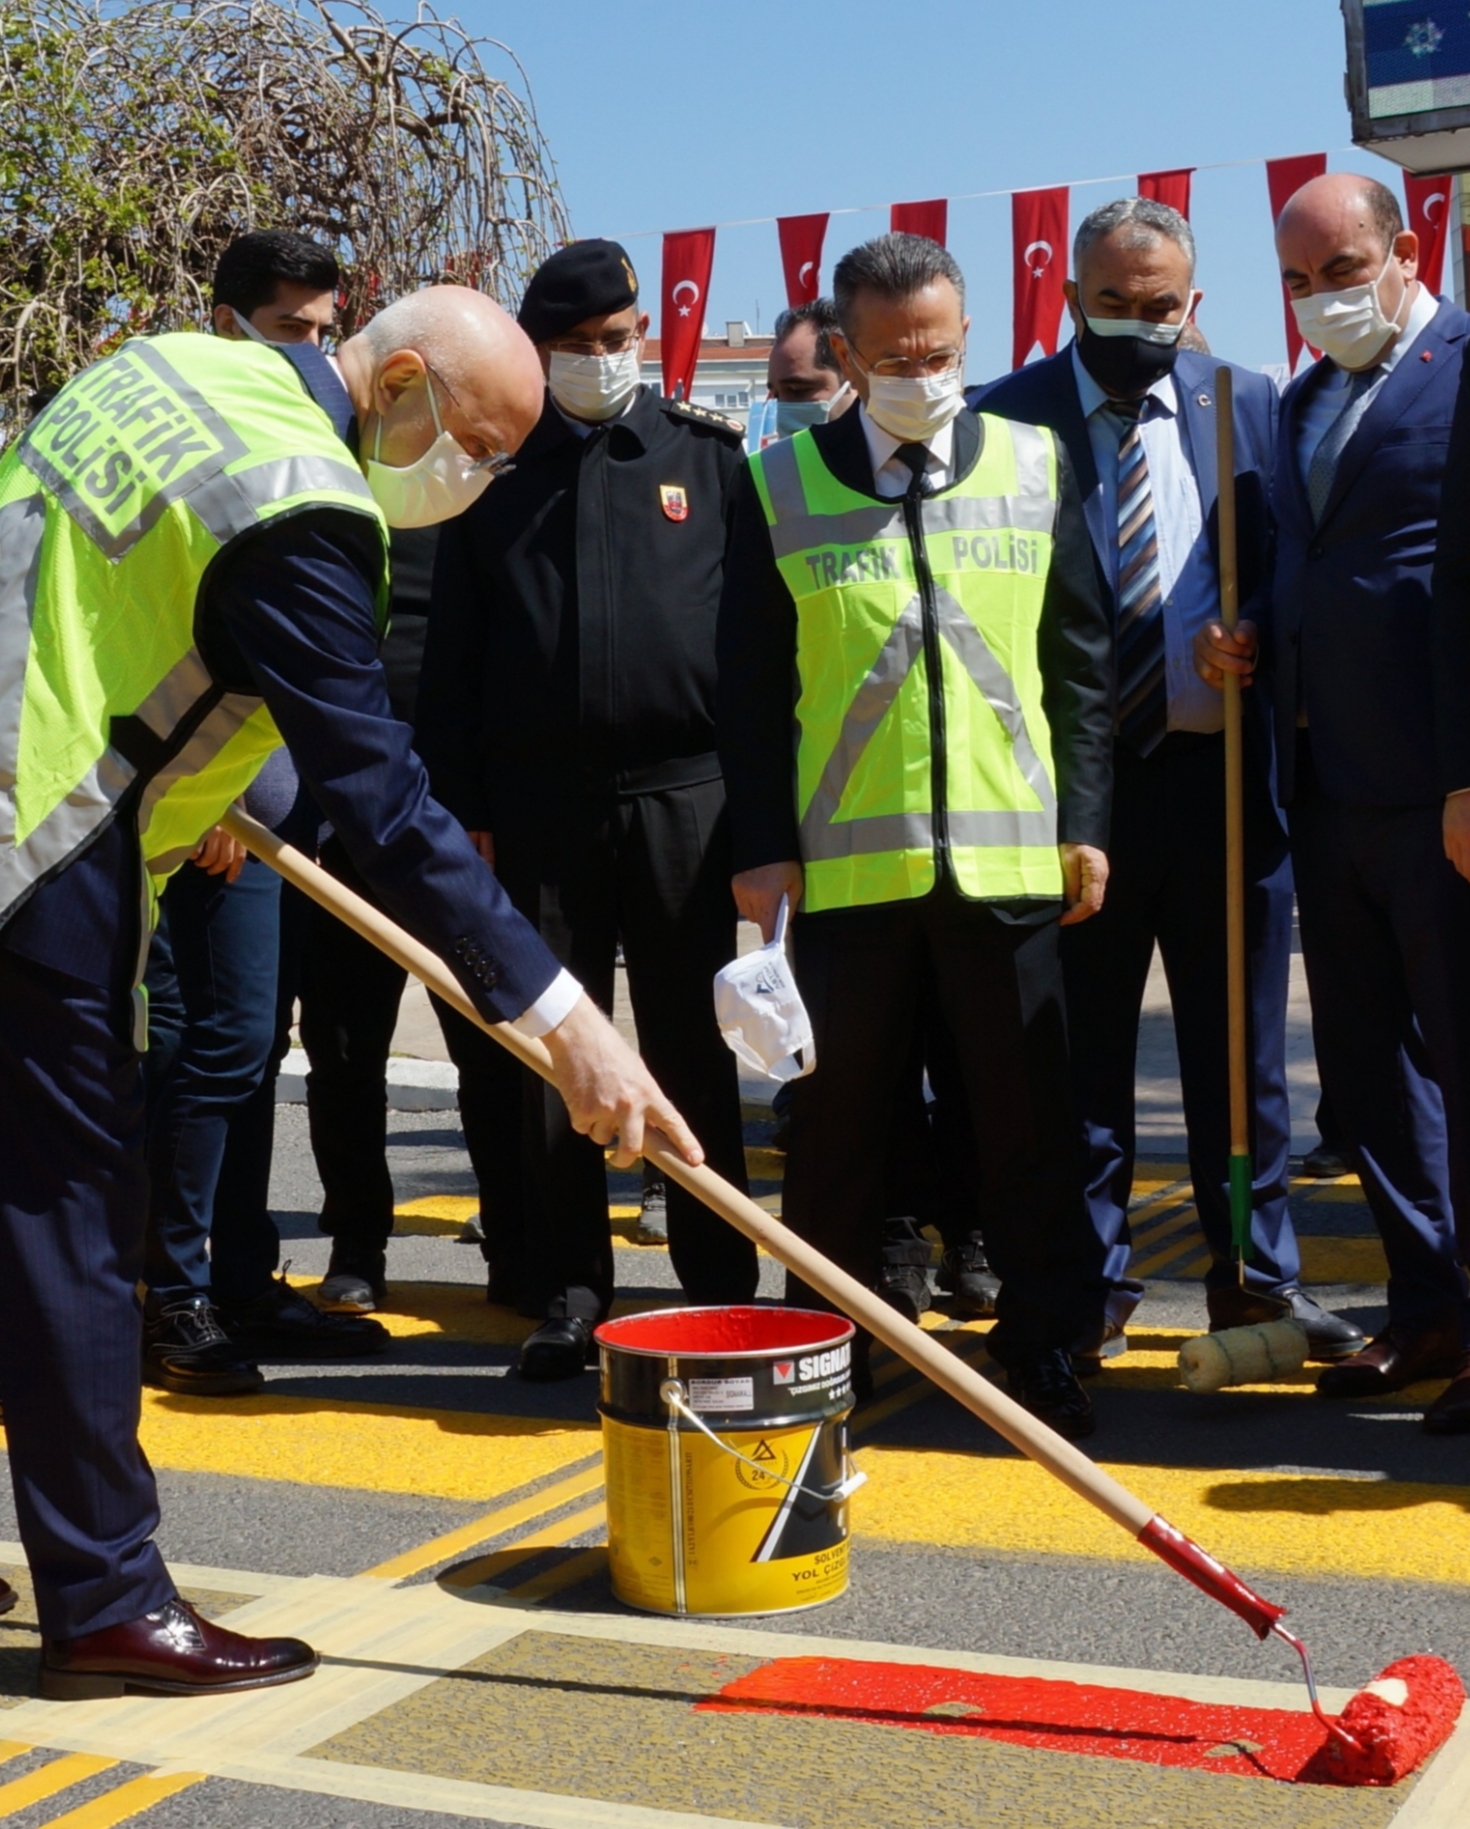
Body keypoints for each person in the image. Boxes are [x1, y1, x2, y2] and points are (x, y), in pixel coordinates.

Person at [0, 282, 703, 1694]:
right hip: (37, 851)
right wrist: (568, 1028)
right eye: (479, 440)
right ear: (391, 381)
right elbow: (379, 798)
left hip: (46, 801)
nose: (479, 475)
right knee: (74, 1231)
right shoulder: (305, 497)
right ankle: (105, 1600)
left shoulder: (173, 369)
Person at [718, 231, 1113, 1437]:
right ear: (843, 352)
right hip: (845, 875)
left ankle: (1045, 1345)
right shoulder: (781, 482)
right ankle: (821, 1355)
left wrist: (1087, 823)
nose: (920, 371)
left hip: (1008, 866)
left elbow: (1082, 666)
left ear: (969, 336)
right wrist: (760, 843)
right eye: (892, 354)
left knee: (1030, 1130)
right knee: (834, 1136)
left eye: (939, 350)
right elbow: (744, 686)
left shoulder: (1038, 463)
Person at [975, 197, 1362, 1369]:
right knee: (1080, 1064)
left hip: (1223, 784)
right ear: (1069, 299)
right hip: (1077, 801)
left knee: (1240, 1062)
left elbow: (1294, 569)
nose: (1138, 324)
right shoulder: (1008, 420)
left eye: (1161, 307)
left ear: (1192, 304)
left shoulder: (1248, 406)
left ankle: (1255, 1278)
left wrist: (1253, 631)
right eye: (1113, 304)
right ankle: (1091, 1284)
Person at [419, 240, 758, 1382]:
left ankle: (720, 1279)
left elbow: (757, 650)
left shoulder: (709, 461)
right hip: (537, 806)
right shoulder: (495, 469)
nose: (602, 363)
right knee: (553, 1056)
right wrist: (464, 805)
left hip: (683, 801)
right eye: (576, 349)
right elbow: (451, 659)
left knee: (690, 1045)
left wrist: (758, 814)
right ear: (539, 352)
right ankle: (569, 1290)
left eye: (618, 343)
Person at [1199, 171, 1470, 1430]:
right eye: (1298, 284)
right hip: (1322, 793)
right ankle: (1427, 1308)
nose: (1317, 302)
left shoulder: (1464, 370)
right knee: (1370, 1073)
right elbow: (1310, 565)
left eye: (1339, 273)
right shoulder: (1301, 400)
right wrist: (1248, 633)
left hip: (1441, 793)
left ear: (1406, 250)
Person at [140, 230, 389, 1393]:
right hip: (204, 818)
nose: (312, 353)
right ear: (227, 321)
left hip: (275, 816)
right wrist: (224, 796)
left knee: (251, 1050)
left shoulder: (304, 438)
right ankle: (171, 1290)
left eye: (325, 330)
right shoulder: (198, 437)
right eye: (290, 329)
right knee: (212, 1042)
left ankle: (239, 1278)